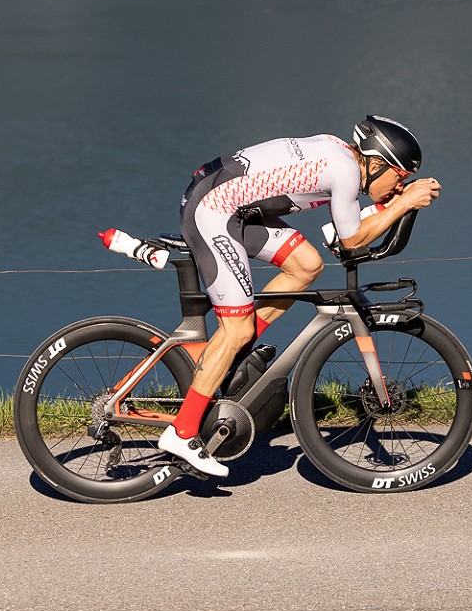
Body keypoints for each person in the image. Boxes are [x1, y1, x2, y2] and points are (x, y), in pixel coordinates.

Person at [156, 115, 441, 475]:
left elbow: (347, 229)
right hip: (214, 211)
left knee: (306, 265)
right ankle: (182, 433)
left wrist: (392, 204)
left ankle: (230, 353)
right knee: (237, 331)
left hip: (231, 206)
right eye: (399, 178)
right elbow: (352, 239)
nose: (400, 186)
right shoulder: (346, 172)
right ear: (376, 163)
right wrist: (403, 204)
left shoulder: (341, 158)